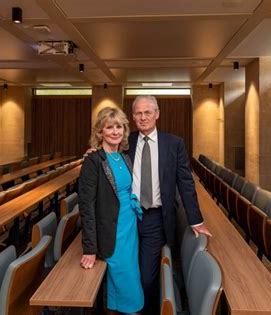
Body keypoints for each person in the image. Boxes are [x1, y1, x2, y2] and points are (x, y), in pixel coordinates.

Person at [129, 95, 212, 315]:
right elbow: (107, 159)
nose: (143, 117)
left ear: (157, 114)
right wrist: (93, 154)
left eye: (148, 112)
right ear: (133, 116)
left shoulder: (174, 143)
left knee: (147, 275)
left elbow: (185, 182)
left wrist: (196, 220)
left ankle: (145, 310)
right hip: (127, 217)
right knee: (127, 270)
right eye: (138, 113)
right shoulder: (125, 142)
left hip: (156, 217)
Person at [78, 107, 144, 314]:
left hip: (129, 225)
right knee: (122, 275)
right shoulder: (93, 161)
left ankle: (123, 309)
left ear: (124, 131)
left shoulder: (124, 157)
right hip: (111, 230)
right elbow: (86, 207)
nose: (115, 131)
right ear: (100, 132)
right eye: (109, 127)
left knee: (130, 273)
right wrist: (89, 248)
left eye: (119, 127)